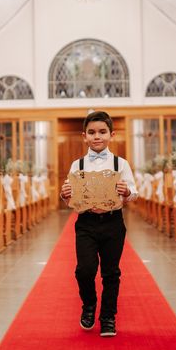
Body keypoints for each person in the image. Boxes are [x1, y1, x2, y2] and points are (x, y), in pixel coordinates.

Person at [60, 111, 138, 337]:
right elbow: (71, 199)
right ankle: (89, 304)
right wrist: (65, 194)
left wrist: (127, 192)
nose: (97, 137)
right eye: (92, 132)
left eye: (102, 132)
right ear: (84, 136)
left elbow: (134, 192)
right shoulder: (78, 165)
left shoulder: (120, 163)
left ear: (111, 134)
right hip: (86, 223)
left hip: (113, 222)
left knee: (110, 272)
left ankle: (108, 318)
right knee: (84, 270)